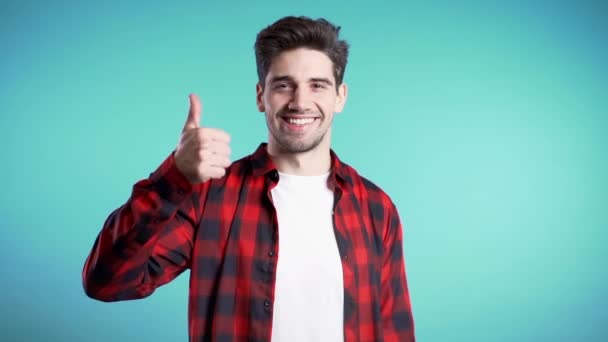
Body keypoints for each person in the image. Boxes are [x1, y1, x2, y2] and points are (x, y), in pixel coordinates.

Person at [82, 16, 415, 341]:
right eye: (283, 85)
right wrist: (174, 179)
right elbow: (107, 283)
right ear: (261, 96)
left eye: (318, 85)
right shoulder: (210, 198)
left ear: (340, 96)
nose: (300, 102)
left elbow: (395, 329)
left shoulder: (376, 208)